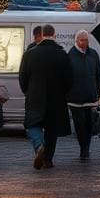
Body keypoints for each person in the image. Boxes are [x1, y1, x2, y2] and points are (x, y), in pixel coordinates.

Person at [18, 23, 72, 169]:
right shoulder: (62, 54)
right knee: (51, 128)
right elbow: (69, 79)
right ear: (54, 34)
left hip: (35, 96)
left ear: (41, 35)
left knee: (32, 124)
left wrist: (28, 92)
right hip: (56, 98)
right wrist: (63, 94)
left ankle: (39, 145)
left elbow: (22, 77)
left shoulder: (30, 54)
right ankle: (48, 159)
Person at [66, 29, 100, 159]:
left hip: (90, 96)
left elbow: (99, 73)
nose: (84, 42)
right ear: (76, 41)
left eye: (86, 40)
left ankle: (86, 147)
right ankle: (83, 148)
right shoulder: (70, 55)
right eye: (82, 40)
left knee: (89, 124)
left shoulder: (93, 54)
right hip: (75, 98)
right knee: (79, 124)